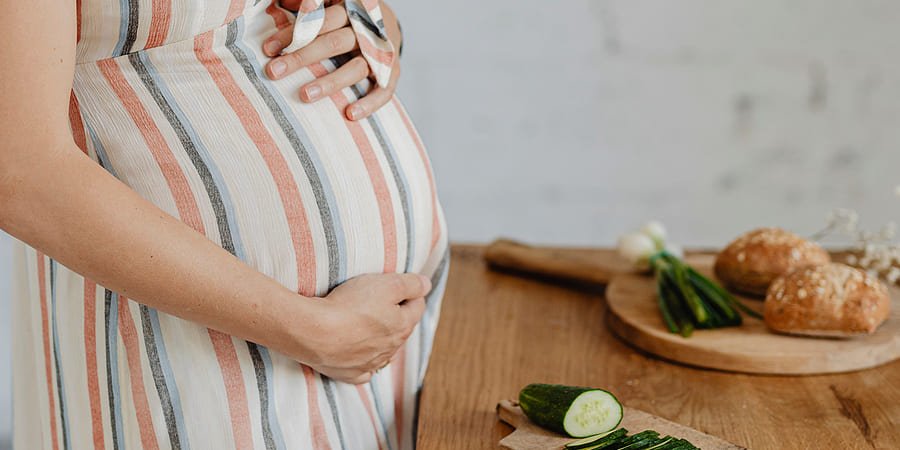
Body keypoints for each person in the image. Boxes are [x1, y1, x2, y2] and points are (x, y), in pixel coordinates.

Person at [1, 0, 448, 448]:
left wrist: (369, 24)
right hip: (209, 347)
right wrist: (313, 330)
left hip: (364, 351)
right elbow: (20, 174)